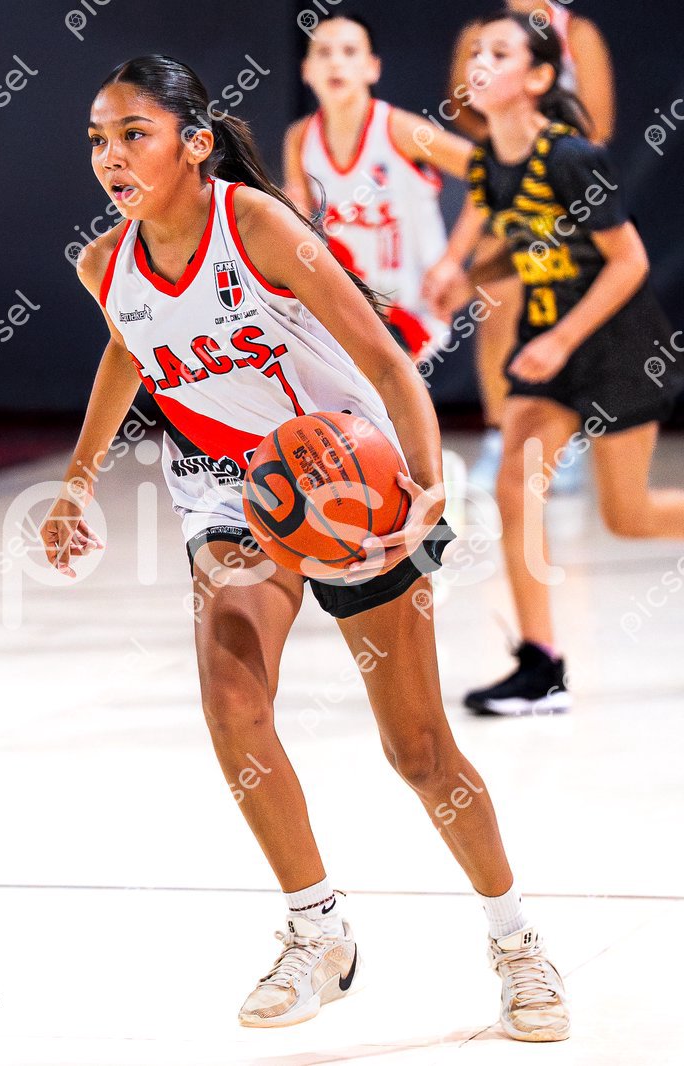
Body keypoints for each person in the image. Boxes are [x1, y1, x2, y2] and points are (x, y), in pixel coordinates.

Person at [41, 53, 570, 1040]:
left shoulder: (256, 226)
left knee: (418, 749)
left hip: (353, 481)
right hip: (229, 491)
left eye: (132, 135)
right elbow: (126, 345)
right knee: (232, 701)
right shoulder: (103, 262)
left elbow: (385, 359)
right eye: (97, 140)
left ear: (194, 144)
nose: (110, 157)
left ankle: (516, 942)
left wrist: (426, 485)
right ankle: (317, 930)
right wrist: (76, 481)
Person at [424, 11, 684, 715]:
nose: (479, 63)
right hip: (546, 343)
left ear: (539, 77)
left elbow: (628, 262)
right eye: (476, 51)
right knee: (515, 485)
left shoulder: (570, 158)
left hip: (616, 346)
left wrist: (563, 340)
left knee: (630, 516)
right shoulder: (489, 163)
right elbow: (527, 245)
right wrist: (465, 275)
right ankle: (540, 665)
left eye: (499, 53)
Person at [448, 0, 616, 492]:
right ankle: (500, 436)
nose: (485, 60)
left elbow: (598, 123)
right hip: (505, 186)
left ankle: (565, 440)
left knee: (565, 313)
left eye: (501, 55)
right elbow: (462, 106)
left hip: (563, 195)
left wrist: (542, 148)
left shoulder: (578, 32)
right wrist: (507, 141)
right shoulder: (479, 30)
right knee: (496, 311)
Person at [283, 14, 472, 360]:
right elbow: (304, 224)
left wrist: (453, 260)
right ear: (306, 70)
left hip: (413, 307)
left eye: (349, 51)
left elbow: (489, 172)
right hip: (351, 309)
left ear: (372, 68)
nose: (336, 62)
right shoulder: (299, 137)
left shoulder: (399, 130)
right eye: (323, 52)